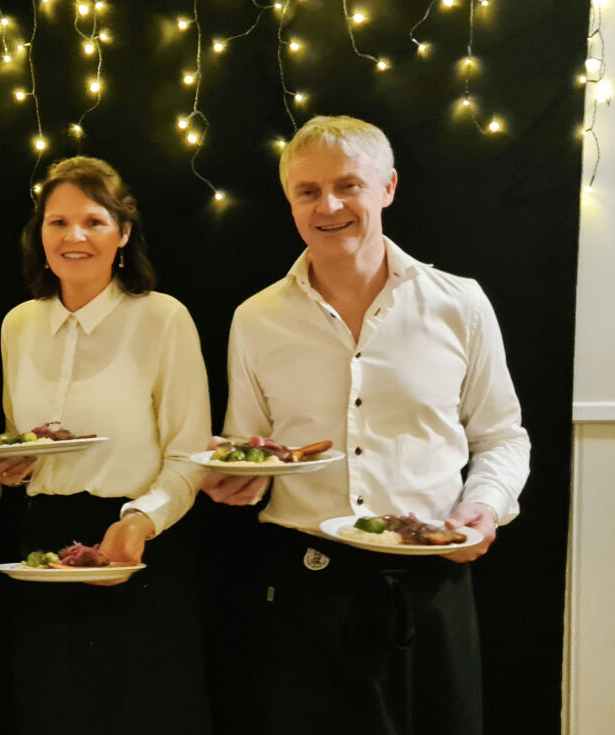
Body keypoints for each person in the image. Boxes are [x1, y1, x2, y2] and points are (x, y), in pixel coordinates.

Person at [201, 115, 531, 735]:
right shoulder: (255, 318)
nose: (328, 205)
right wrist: (234, 480)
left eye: (348, 185)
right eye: (307, 191)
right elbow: (253, 450)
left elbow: (501, 437)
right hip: (302, 592)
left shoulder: (460, 303)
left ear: (388, 188)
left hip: (430, 583)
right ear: (289, 202)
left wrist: (485, 506)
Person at [0, 156, 213, 735]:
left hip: (138, 544)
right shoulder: (17, 325)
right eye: (57, 223)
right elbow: (23, 445)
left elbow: (188, 456)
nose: (74, 237)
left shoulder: (163, 319)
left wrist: (138, 524)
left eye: (92, 221)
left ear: (124, 233)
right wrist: (11, 466)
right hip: (42, 548)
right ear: (40, 236)